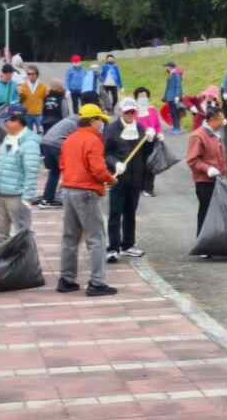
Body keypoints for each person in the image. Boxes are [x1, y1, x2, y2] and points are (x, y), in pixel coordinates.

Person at [58, 104, 119, 297]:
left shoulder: (70, 139)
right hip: (86, 193)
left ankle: (66, 279)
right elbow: (98, 170)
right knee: (96, 239)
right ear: (93, 120)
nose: (102, 124)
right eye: (100, 120)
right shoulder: (93, 140)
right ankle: (97, 282)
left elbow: (62, 165)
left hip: (68, 190)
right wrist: (111, 179)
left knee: (70, 238)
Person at [104, 98, 157, 262]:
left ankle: (127, 245)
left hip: (135, 178)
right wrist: (115, 163)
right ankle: (113, 247)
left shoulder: (140, 128)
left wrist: (150, 140)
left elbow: (146, 152)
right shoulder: (112, 129)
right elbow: (105, 153)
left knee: (130, 212)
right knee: (115, 213)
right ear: (121, 112)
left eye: (132, 112)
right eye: (127, 112)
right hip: (118, 179)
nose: (130, 115)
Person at [185, 106, 227, 251]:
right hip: (204, 182)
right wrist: (208, 169)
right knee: (206, 212)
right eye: (220, 119)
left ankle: (215, 243)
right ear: (212, 120)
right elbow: (192, 160)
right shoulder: (198, 136)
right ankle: (202, 244)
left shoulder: (216, 134)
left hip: (219, 180)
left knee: (218, 212)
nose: (223, 122)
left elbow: (221, 155)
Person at [0, 106, 41, 244]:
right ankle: (3, 263)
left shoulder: (29, 143)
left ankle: (24, 264)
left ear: (19, 121)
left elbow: (31, 171)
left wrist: (27, 197)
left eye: (10, 120)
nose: (6, 123)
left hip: (18, 196)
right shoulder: (8, 138)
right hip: (2, 193)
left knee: (22, 234)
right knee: (1, 233)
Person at [39, 113, 79, 209]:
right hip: (57, 145)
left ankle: (47, 199)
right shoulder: (78, 124)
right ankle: (65, 197)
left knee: (54, 172)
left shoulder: (67, 120)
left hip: (45, 142)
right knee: (68, 171)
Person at [133, 87, 164, 197]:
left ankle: (148, 188)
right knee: (139, 165)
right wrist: (145, 132)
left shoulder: (152, 110)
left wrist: (159, 133)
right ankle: (139, 187)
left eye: (145, 96)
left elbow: (157, 125)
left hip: (152, 141)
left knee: (151, 164)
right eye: (140, 96)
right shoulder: (133, 111)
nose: (143, 98)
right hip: (138, 142)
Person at [0, 63, 20, 162]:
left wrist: (13, 104)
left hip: (10, 109)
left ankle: (9, 153)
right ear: (3, 74)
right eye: (8, 75)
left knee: (10, 131)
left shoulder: (14, 84)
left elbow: (17, 97)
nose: (10, 77)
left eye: (11, 75)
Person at [18, 64, 48, 133]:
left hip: (39, 114)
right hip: (27, 114)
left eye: (32, 74)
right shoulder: (22, 86)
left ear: (37, 75)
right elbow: (19, 100)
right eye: (28, 74)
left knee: (41, 133)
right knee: (28, 133)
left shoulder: (43, 87)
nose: (30, 76)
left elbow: (46, 99)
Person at [162, 61, 184, 133]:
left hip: (174, 97)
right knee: (172, 112)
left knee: (175, 113)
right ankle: (175, 127)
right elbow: (168, 87)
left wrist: (177, 96)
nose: (166, 68)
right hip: (170, 97)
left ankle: (177, 128)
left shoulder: (176, 74)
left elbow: (178, 85)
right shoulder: (170, 74)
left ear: (170, 67)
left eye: (167, 66)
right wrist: (165, 97)